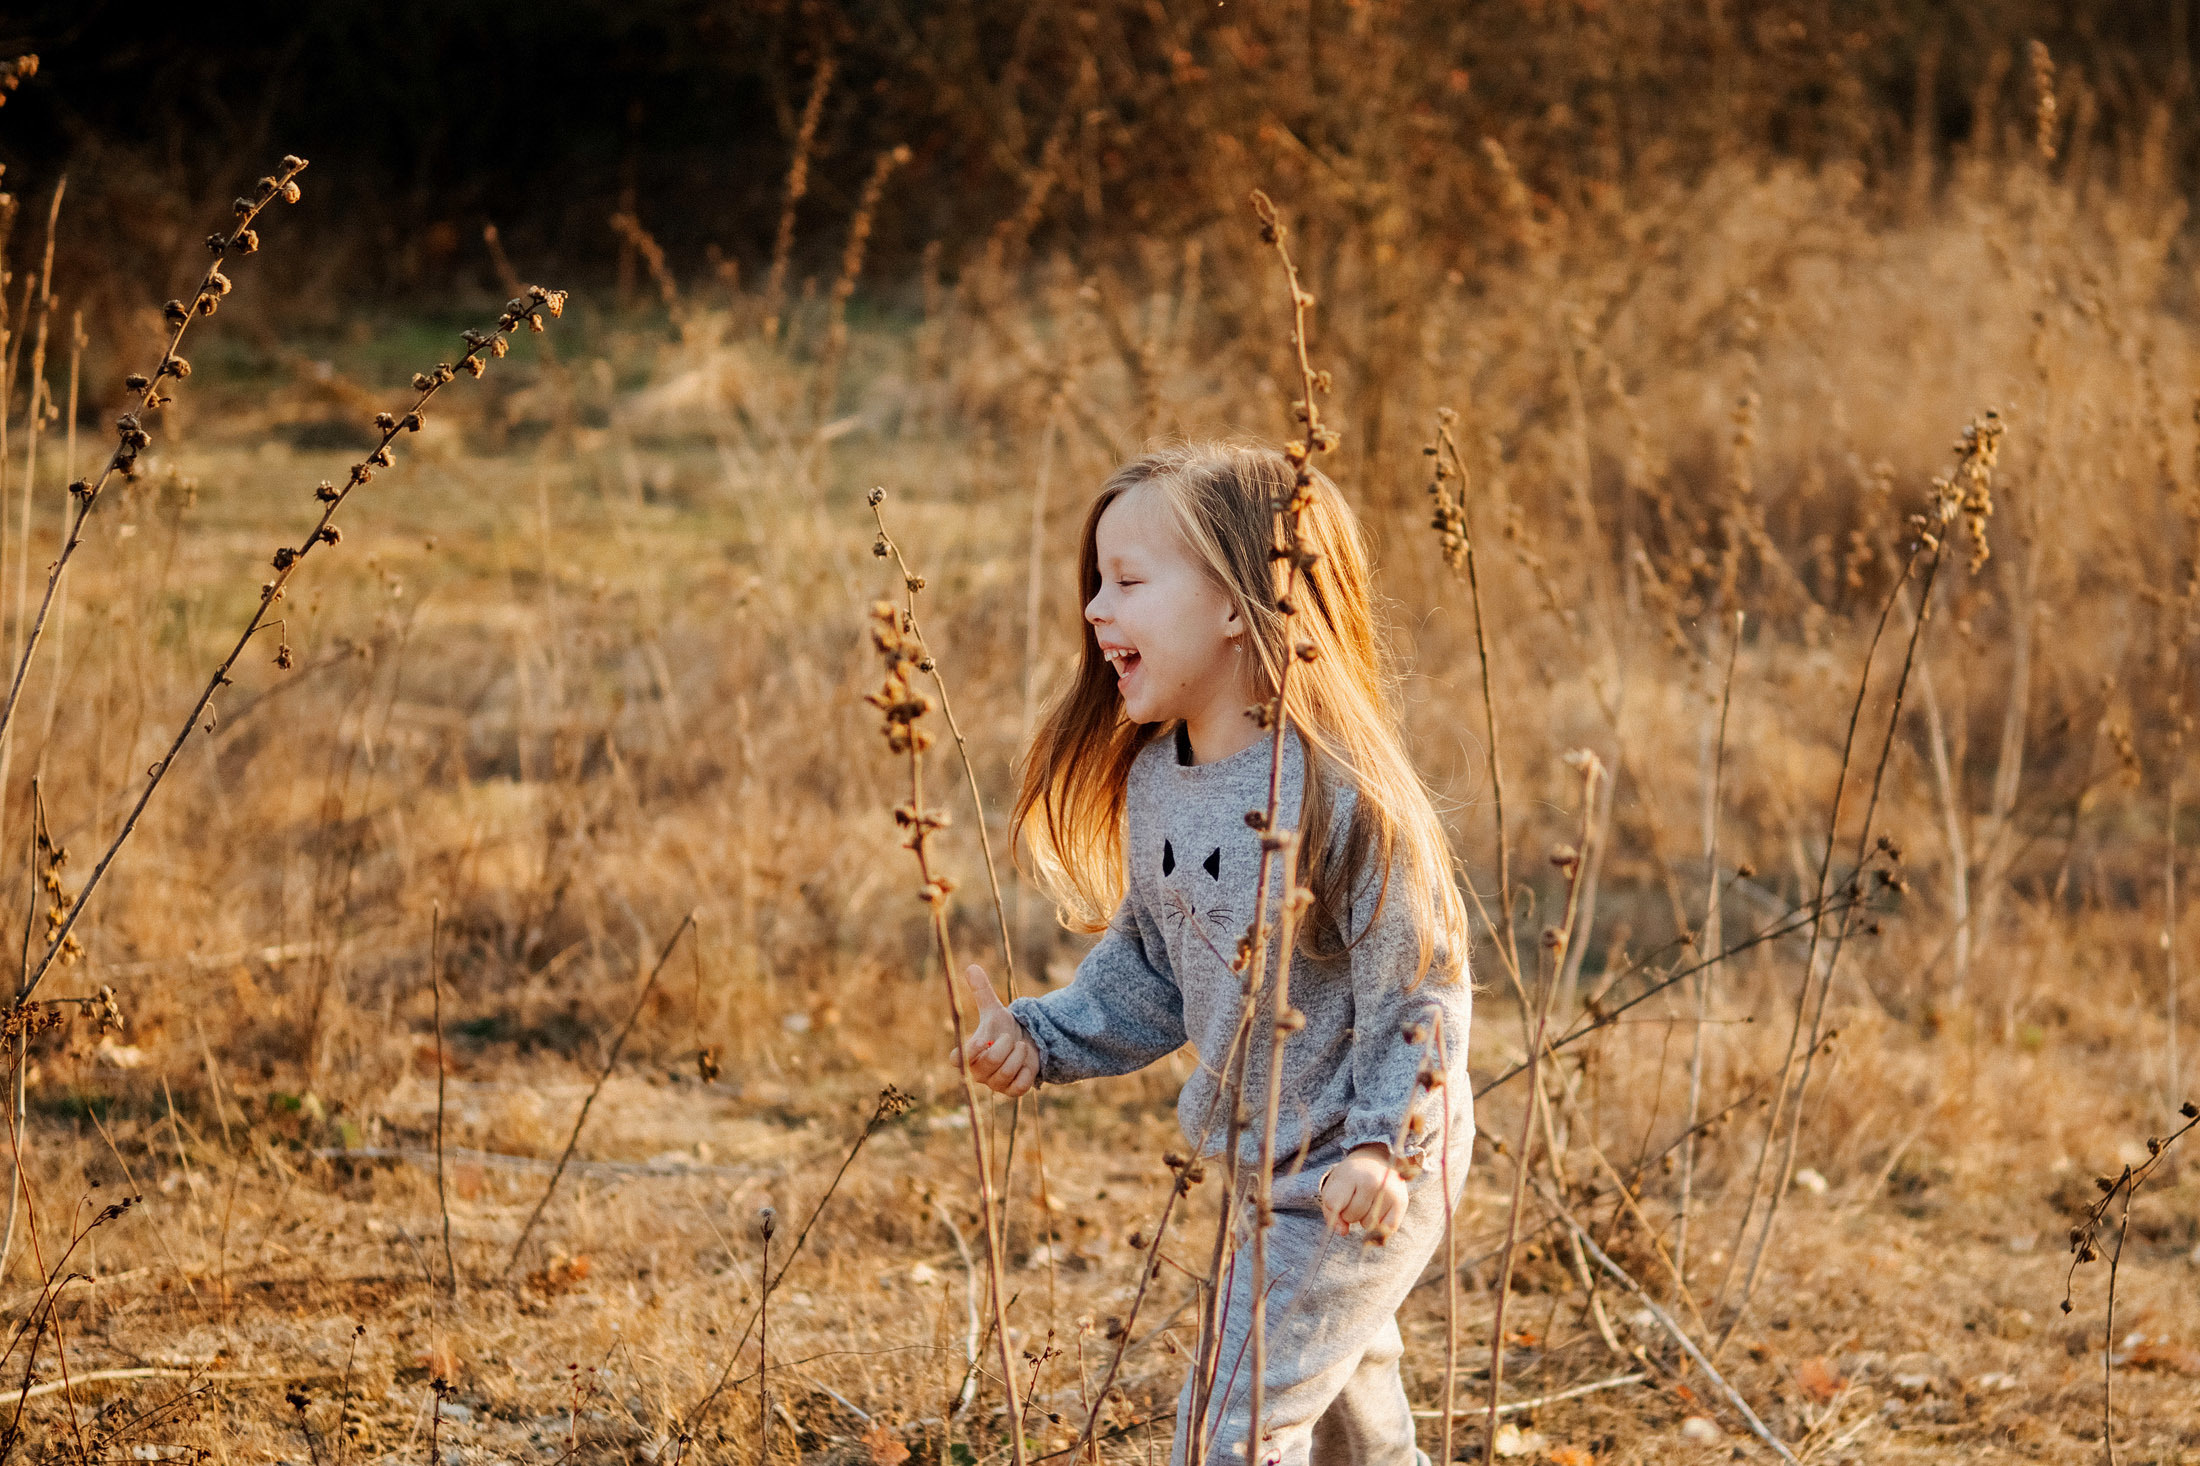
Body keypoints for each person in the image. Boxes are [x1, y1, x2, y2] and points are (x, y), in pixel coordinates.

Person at [954, 442, 1474, 1466]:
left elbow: (1420, 993)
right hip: (1263, 1164)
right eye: (1096, 582)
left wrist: (1383, 1145)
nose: (1095, 608)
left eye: (1128, 581)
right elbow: (1151, 967)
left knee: (1227, 1429)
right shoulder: (1160, 780)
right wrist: (1039, 1037)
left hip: (1365, 1163)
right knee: (1354, 1434)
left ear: (1238, 604)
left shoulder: (1339, 797)